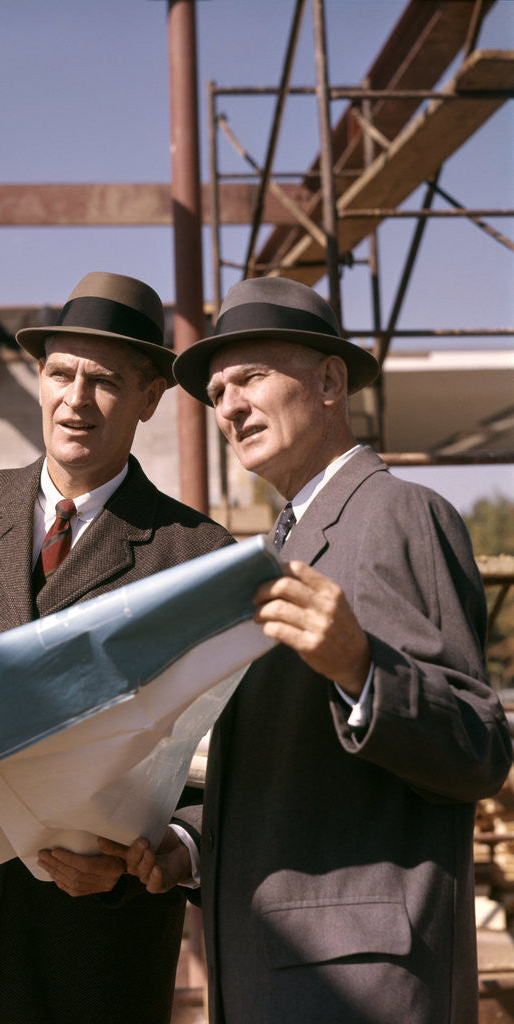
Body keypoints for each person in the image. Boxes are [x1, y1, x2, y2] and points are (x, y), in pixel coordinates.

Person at [94, 276, 512, 1024]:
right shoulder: (279, 546)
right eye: (216, 391)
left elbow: (478, 748)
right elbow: (279, 768)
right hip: (272, 965)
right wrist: (188, 844)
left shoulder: (398, 514)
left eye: (250, 377)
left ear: (328, 380)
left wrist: (362, 667)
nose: (227, 406)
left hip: (362, 984)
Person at [0, 271, 235, 1024]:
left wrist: (160, 852)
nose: (75, 400)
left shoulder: (197, 556)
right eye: (60, 374)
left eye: (103, 382)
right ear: (37, 379)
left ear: (150, 398)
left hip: (93, 950)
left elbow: (231, 754)